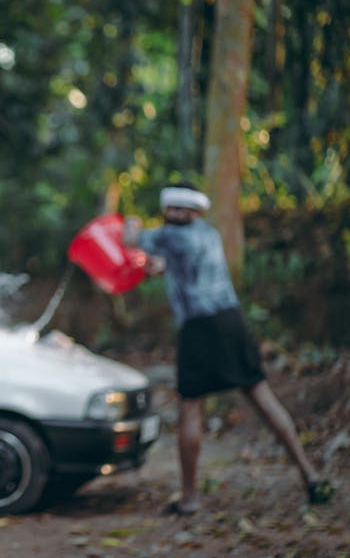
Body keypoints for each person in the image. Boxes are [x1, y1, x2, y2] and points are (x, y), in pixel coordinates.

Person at [123, 182, 334, 515]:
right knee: (262, 398)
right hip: (232, 321)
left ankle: (190, 498)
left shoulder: (168, 235)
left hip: (199, 327)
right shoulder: (208, 233)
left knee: (191, 406)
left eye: (180, 209)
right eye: (170, 209)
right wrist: (161, 268)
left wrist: (130, 223)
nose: (174, 214)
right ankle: (310, 476)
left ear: (193, 210)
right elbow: (178, 263)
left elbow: (131, 241)